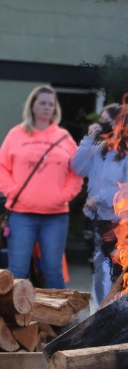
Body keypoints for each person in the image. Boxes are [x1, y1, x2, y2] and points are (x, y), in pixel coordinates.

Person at [0, 86, 82, 288]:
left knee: (53, 271)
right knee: (17, 272)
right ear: (32, 106)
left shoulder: (63, 137)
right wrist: (12, 192)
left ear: (55, 109)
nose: (47, 107)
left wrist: (64, 195)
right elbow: (2, 167)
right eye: (42, 103)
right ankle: (11, 318)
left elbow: (77, 171)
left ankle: (59, 319)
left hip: (55, 217)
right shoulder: (16, 135)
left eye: (50, 104)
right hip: (21, 215)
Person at [70, 103, 128, 304]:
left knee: (121, 274)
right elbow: (77, 167)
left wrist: (102, 197)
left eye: (108, 121)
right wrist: (88, 140)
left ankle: (121, 317)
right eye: (102, 121)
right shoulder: (98, 149)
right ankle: (98, 316)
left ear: (122, 122)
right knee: (99, 273)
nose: (104, 125)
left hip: (120, 222)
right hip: (96, 220)